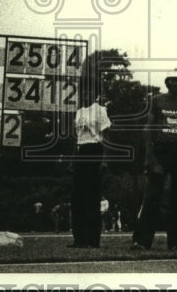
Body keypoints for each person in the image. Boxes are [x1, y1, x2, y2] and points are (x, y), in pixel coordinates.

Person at [131, 70, 177, 251]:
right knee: (152, 196)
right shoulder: (157, 100)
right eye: (173, 80)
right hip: (161, 150)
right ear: (167, 82)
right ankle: (141, 240)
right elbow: (149, 128)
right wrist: (149, 157)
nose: (176, 84)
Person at [69, 86, 111, 248]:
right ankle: (79, 239)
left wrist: (104, 160)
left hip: (94, 150)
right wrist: (73, 160)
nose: (86, 94)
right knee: (77, 197)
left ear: (95, 94)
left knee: (92, 197)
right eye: (84, 92)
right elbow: (77, 137)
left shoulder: (100, 110)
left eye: (89, 91)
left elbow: (106, 137)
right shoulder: (79, 112)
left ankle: (93, 240)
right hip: (81, 151)